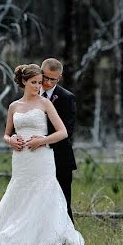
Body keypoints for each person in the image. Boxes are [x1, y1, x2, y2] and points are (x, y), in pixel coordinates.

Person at [0, 64, 84, 245]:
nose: (38, 86)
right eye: (34, 82)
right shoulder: (14, 106)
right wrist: (11, 140)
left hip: (41, 157)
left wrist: (41, 140)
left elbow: (63, 132)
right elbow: (6, 134)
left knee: (43, 194)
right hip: (21, 160)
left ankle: (44, 240)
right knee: (19, 194)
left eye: (40, 83)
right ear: (24, 82)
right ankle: (14, 238)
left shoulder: (45, 104)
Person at [38, 58, 77, 222]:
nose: (47, 82)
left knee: (62, 200)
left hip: (60, 156)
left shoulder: (66, 97)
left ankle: (69, 240)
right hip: (35, 157)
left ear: (59, 78)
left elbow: (67, 130)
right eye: (44, 77)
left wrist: (42, 140)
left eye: (52, 79)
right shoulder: (30, 93)